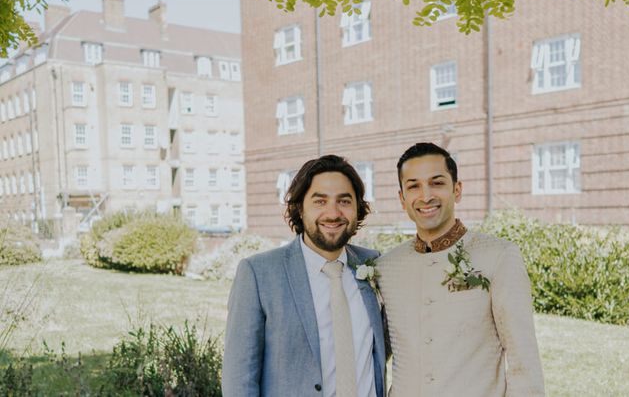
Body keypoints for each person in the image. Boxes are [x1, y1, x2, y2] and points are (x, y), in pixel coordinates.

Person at [376, 142, 545, 396]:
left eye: (437, 183)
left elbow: (524, 362)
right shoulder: (386, 266)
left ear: (457, 190)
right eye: (413, 186)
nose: (426, 196)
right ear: (402, 199)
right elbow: (375, 354)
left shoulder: (499, 256)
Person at [222, 154, 386, 397]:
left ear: (358, 208)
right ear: (300, 208)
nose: (333, 213)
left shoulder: (377, 265)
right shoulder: (258, 274)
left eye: (344, 201)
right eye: (320, 201)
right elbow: (239, 381)